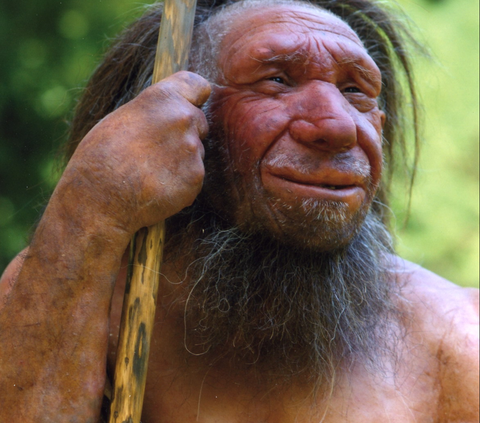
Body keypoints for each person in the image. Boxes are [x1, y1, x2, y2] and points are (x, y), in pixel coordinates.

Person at [0, 0, 478, 421]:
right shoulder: (81, 291)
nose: (337, 126)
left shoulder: (454, 339)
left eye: (355, 91)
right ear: (180, 120)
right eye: (276, 80)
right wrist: (90, 202)